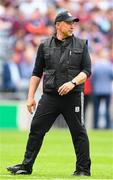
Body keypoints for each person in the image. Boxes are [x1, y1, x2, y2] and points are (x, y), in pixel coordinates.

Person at [7, 11, 91, 176]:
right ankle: (26, 166)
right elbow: (36, 72)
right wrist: (30, 97)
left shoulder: (81, 44)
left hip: (73, 96)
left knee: (78, 132)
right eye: (68, 22)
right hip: (50, 96)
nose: (72, 25)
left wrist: (72, 82)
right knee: (36, 128)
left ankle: (83, 170)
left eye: (73, 22)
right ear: (58, 25)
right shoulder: (44, 45)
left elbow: (87, 71)